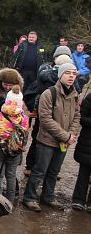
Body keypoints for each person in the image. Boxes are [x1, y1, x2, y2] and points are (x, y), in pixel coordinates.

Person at [23, 63, 81, 212]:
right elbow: (45, 119)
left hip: (64, 142)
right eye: (67, 73)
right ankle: (29, 197)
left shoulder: (74, 95)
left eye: (74, 74)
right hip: (47, 140)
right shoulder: (49, 93)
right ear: (60, 75)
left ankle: (48, 196)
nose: (71, 76)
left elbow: (76, 116)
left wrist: (72, 134)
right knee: (40, 170)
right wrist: (66, 136)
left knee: (54, 171)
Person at [0, 86, 28, 204]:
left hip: (0, 149)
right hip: (15, 150)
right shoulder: (24, 118)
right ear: (20, 102)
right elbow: (25, 133)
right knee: (11, 176)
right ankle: (10, 201)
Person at [72, 92, 91, 211]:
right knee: (83, 173)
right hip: (88, 142)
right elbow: (81, 117)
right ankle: (78, 200)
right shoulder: (90, 97)